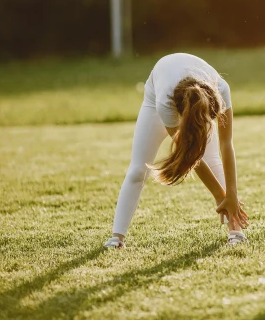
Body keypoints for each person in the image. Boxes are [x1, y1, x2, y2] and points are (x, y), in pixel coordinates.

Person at [103, 53, 249, 248]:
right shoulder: (166, 104)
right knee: (138, 170)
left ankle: (236, 232)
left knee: (213, 158)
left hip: (195, 97)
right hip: (157, 97)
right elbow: (189, 154)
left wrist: (231, 195)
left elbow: (226, 145)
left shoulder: (221, 90)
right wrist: (218, 195)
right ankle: (116, 238)